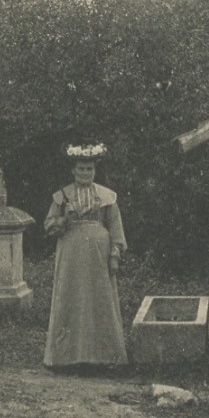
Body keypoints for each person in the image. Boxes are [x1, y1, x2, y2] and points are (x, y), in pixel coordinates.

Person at [42, 143, 128, 369]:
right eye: (81, 169)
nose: (85, 173)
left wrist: (115, 255)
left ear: (95, 171)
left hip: (98, 256)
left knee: (99, 300)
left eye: (89, 169)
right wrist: (64, 221)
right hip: (71, 255)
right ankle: (67, 357)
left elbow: (115, 228)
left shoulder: (107, 196)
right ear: (73, 170)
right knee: (71, 298)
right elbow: (49, 226)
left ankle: (104, 357)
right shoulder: (62, 196)